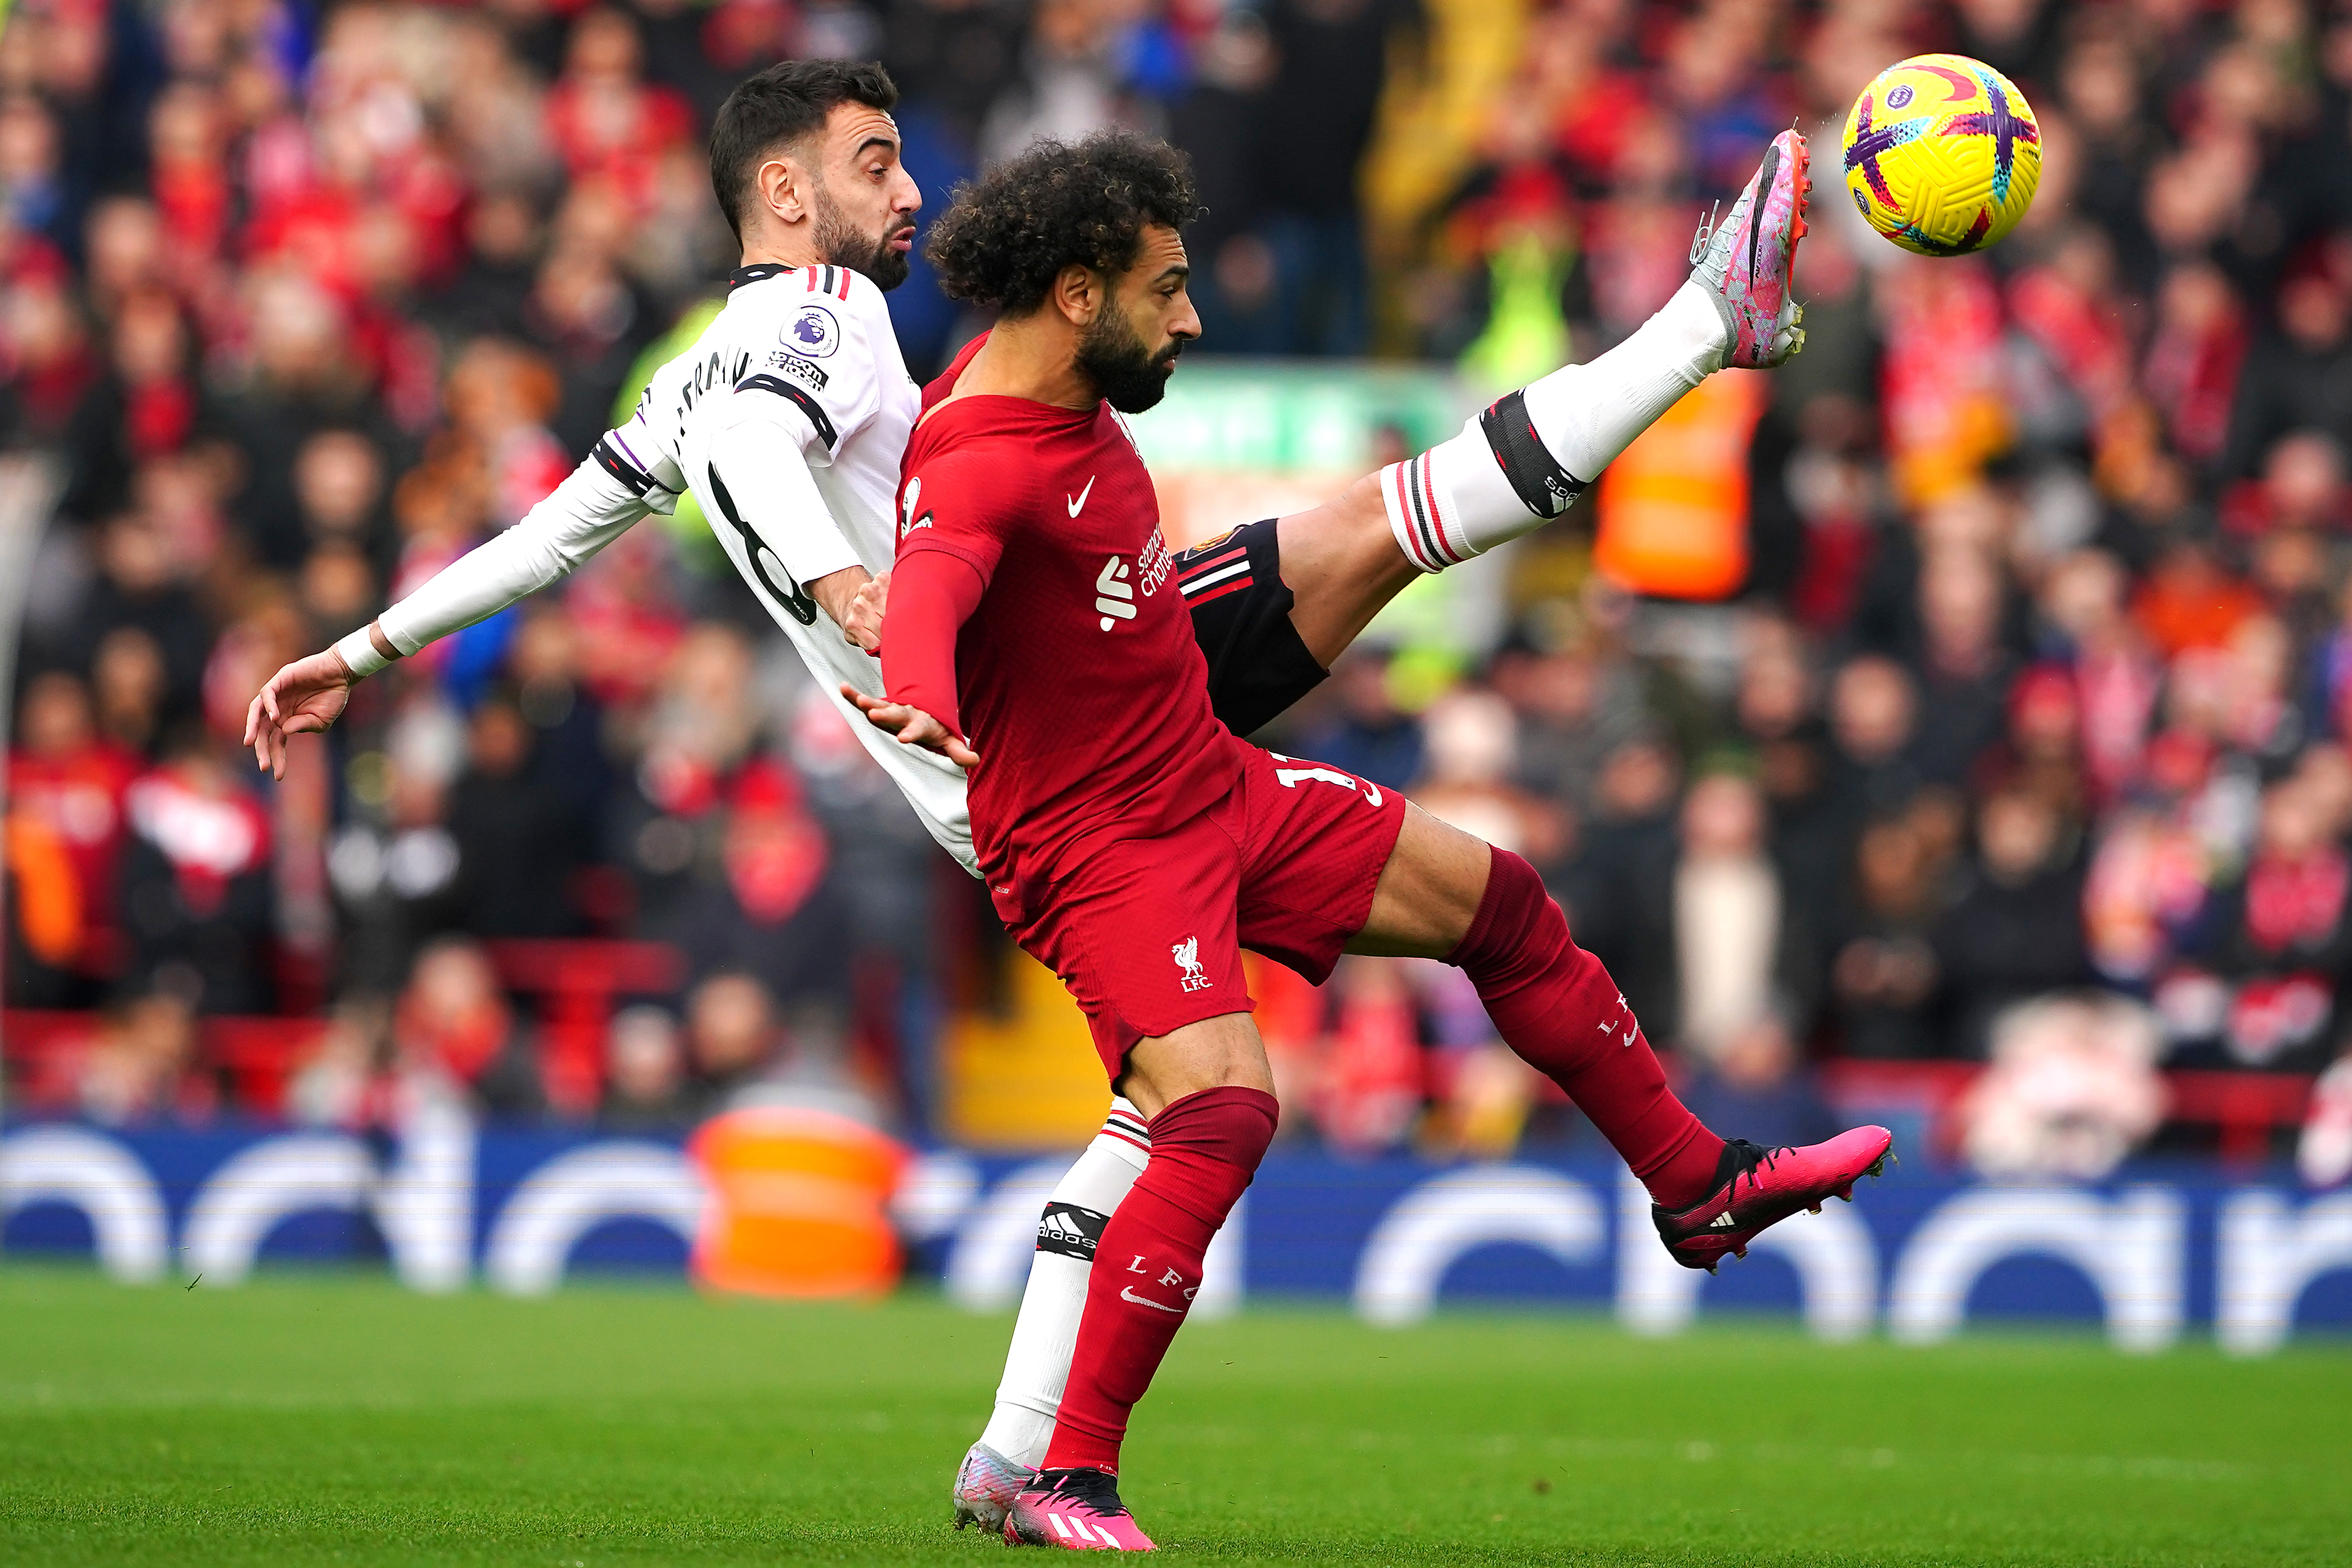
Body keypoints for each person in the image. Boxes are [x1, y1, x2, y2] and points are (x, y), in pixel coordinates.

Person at [236, 60, 1843, 1542]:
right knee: (1210, 1081)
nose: (909, 191)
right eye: (876, 163)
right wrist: (858, 599)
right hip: (1045, 760)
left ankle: (1043, 1444)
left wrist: (365, 650)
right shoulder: (819, 325)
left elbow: (553, 535)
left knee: (1398, 570)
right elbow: (804, 468)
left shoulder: (706, 382)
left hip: (1108, 678)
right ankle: (1703, 325)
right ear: (786, 192)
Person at [856, 128, 1891, 1550]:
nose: (1192, 319)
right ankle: (1064, 1473)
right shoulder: (980, 455)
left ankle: (1698, 1186)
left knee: (1505, 904)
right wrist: (917, 686)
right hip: (1102, 847)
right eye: (1167, 290)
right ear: (1079, 293)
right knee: (1223, 1111)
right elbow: (933, 578)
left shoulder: (1063, 385)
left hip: (1203, 774)